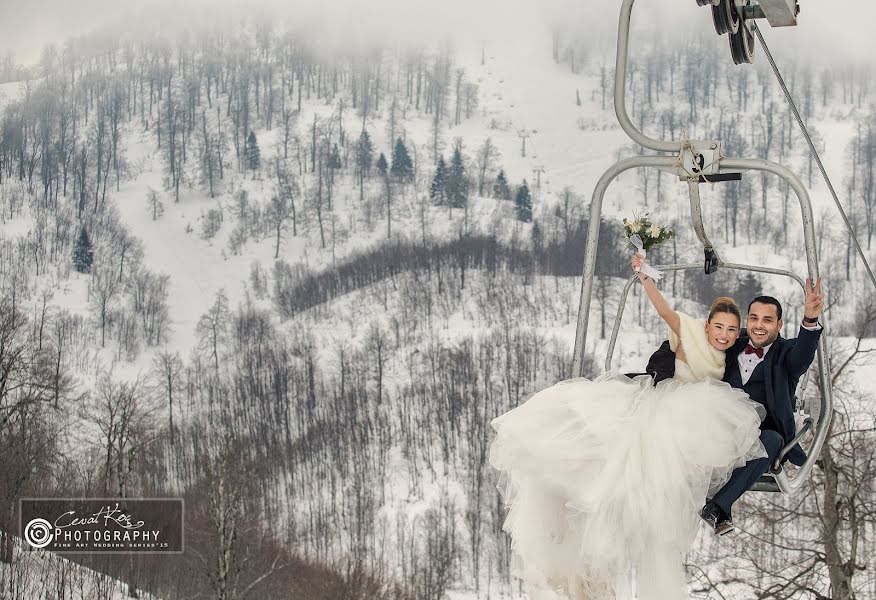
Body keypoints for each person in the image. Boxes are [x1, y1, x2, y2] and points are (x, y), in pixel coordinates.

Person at [488, 254, 768, 600]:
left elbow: (763, 339)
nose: (724, 335)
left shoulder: (731, 349)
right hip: (667, 400)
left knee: (658, 462)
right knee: (624, 456)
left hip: (692, 409)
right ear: (707, 325)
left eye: (730, 329)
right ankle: (590, 552)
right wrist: (645, 274)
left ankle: (618, 538)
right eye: (719, 327)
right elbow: (663, 309)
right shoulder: (688, 332)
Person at [698, 280, 824, 535]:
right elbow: (699, 343)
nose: (758, 325)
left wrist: (810, 320)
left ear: (779, 325)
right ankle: (719, 508)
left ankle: (717, 506)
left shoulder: (786, 354)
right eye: (754, 318)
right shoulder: (732, 341)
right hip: (720, 430)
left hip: (758, 438)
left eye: (767, 320)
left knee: (773, 439)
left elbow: (802, 355)